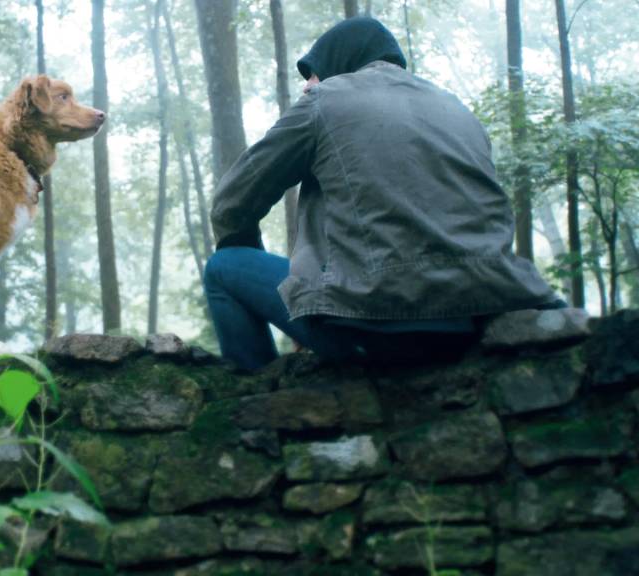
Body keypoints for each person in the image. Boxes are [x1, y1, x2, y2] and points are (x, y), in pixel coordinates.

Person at [204, 17, 559, 371]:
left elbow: (231, 203)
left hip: (377, 327)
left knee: (224, 266)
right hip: (480, 318)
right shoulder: (456, 108)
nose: (307, 86)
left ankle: (257, 404)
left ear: (336, 62)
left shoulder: (324, 101)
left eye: (311, 73)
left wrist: (291, 285)